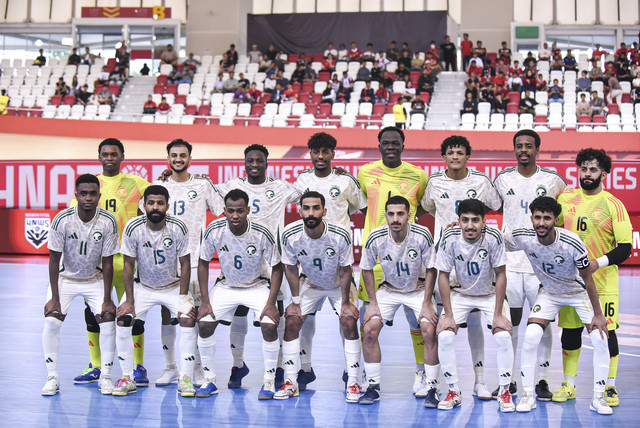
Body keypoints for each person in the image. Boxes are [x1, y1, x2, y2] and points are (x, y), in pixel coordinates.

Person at [503, 197, 611, 415]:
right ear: (531, 218)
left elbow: (587, 278)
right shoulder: (522, 236)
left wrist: (598, 315)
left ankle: (598, 398)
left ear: (556, 220)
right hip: (549, 293)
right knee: (531, 335)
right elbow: (494, 239)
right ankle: (527, 396)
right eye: (537, 217)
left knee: (600, 338)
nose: (541, 223)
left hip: (577, 293)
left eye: (547, 218)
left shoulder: (571, 242)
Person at [420, 136, 502, 400]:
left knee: (475, 319)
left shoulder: (480, 181)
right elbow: (428, 207)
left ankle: (479, 381)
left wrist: (470, 223)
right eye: (450, 152)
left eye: (460, 152)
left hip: (474, 257)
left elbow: (493, 204)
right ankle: (437, 382)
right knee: (442, 321)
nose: (455, 156)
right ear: (443, 157)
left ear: (468, 156)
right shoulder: (434, 182)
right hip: (444, 258)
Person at [216, 145, 301, 390]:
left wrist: (335, 173)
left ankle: (280, 367)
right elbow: (204, 192)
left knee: (277, 315)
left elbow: (312, 189)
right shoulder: (231, 186)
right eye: (250, 160)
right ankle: (237, 364)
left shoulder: (281, 187)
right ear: (244, 162)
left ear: (266, 162)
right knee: (239, 311)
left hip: (273, 261)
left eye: (259, 160)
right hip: (241, 260)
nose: (255, 164)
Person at [553, 149, 632, 407]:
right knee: (570, 331)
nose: (587, 174)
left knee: (606, 332)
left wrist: (597, 263)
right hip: (571, 283)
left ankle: (609, 386)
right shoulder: (565, 199)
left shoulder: (613, 205)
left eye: (593, 170)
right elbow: (548, 229)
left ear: (603, 174)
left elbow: (624, 248)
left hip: (603, 284)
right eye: (584, 169)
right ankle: (569, 383)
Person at [493, 130, 568, 400]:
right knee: (509, 323)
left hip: (542, 267)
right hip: (510, 265)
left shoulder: (553, 180)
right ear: (514, 149)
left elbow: (567, 211)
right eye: (519, 146)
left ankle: (543, 380)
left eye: (529, 146)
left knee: (543, 323)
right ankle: (509, 380)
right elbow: (484, 207)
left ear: (538, 148)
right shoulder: (502, 180)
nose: (523, 150)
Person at [357, 127, 431, 399]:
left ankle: (421, 374)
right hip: (375, 261)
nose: (390, 146)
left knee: (418, 322)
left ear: (403, 145)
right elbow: (364, 204)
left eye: (395, 143)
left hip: (409, 260)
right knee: (368, 323)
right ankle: (367, 376)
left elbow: (421, 206)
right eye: (386, 143)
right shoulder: (365, 173)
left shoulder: (418, 175)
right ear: (378, 145)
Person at [71, 139, 150, 387]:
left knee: (133, 315)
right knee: (94, 314)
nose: (109, 158)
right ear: (99, 157)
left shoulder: (136, 183)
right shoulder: (91, 185)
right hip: (98, 263)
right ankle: (96, 366)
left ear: (122, 156)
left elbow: (162, 194)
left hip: (129, 261)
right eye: (105, 154)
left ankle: (137, 367)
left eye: (114, 154)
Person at [195, 189, 283, 399]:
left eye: (240, 211)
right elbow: (203, 262)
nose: (235, 216)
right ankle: (210, 380)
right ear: (224, 211)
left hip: (257, 285)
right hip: (227, 286)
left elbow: (277, 267)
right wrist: (205, 301)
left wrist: (271, 303)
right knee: (205, 323)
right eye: (231, 211)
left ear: (248, 211)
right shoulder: (214, 229)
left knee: (269, 325)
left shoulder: (261, 232)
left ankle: (269, 383)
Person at [274, 191, 362, 401]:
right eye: (306, 208)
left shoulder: (340, 233)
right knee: (292, 321)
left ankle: (354, 382)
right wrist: (295, 301)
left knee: (349, 322)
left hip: (337, 284)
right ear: (300, 211)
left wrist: (347, 303)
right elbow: (291, 268)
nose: (311, 212)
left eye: (316, 208)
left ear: (324, 211)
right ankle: (290, 380)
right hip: (310, 283)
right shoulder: (290, 233)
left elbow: (346, 269)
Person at [114, 185, 196, 397]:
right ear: (144, 205)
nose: (155, 207)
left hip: (173, 287)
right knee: (123, 319)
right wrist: (130, 300)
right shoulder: (133, 226)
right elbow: (128, 265)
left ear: (168, 206)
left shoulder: (178, 227)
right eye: (151, 203)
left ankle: (185, 377)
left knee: (188, 319)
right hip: (144, 287)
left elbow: (185, 264)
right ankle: (126, 377)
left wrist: (184, 298)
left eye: (160, 203)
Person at [41, 174, 119, 396]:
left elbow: (107, 262)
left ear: (99, 196)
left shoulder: (108, 221)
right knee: (52, 320)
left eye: (92, 193)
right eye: (83, 193)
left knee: (107, 320)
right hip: (66, 279)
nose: (88, 198)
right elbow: (54, 260)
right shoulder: (62, 219)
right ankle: (52, 377)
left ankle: (105, 376)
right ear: (76, 195)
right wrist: (54, 297)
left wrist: (106, 299)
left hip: (94, 279)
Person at [153, 140, 222, 388]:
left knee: (191, 316)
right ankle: (170, 367)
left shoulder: (202, 184)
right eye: (174, 155)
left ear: (190, 158)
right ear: (168, 158)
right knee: (166, 313)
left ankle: (197, 368)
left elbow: (221, 208)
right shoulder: (159, 185)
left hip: (193, 261)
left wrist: (210, 181)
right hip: (165, 262)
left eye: (183, 155)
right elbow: (146, 214)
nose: (178, 159)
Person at [435, 199, 515, 412]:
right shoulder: (450, 237)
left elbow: (501, 274)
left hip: (489, 294)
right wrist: (449, 314)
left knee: (504, 336)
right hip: (460, 294)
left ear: (484, 222)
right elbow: (442, 275)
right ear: (458, 221)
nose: (470, 226)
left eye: (475, 221)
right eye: (465, 220)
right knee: (444, 335)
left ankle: (505, 392)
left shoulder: (493, 237)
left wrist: (498, 313)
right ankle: (453, 391)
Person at [359, 196, 439, 406]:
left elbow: (432, 268)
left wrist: (427, 303)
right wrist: (374, 303)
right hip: (389, 290)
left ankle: (431, 385)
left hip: (418, 288)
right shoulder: (375, 236)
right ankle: (373, 386)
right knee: (369, 329)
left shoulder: (422, 234)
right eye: (391, 214)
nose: (395, 219)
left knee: (429, 329)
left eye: (400, 214)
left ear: (409, 215)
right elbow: (366, 269)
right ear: (385, 215)